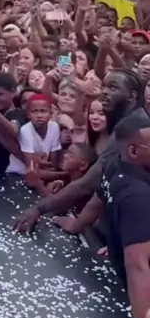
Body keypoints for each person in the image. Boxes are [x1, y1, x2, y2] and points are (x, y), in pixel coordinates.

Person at [13, 69, 147, 235]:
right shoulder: (124, 123)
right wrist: (78, 225)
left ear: (131, 96)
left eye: (113, 87)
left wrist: (38, 209)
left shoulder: (134, 127)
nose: (105, 92)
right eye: (104, 86)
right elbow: (103, 186)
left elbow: (88, 183)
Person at [98, 113, 150, 318]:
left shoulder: (114, 166)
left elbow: (98, 201)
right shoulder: (138, 195)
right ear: (133, 152)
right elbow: (138, 267)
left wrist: (77, 225)